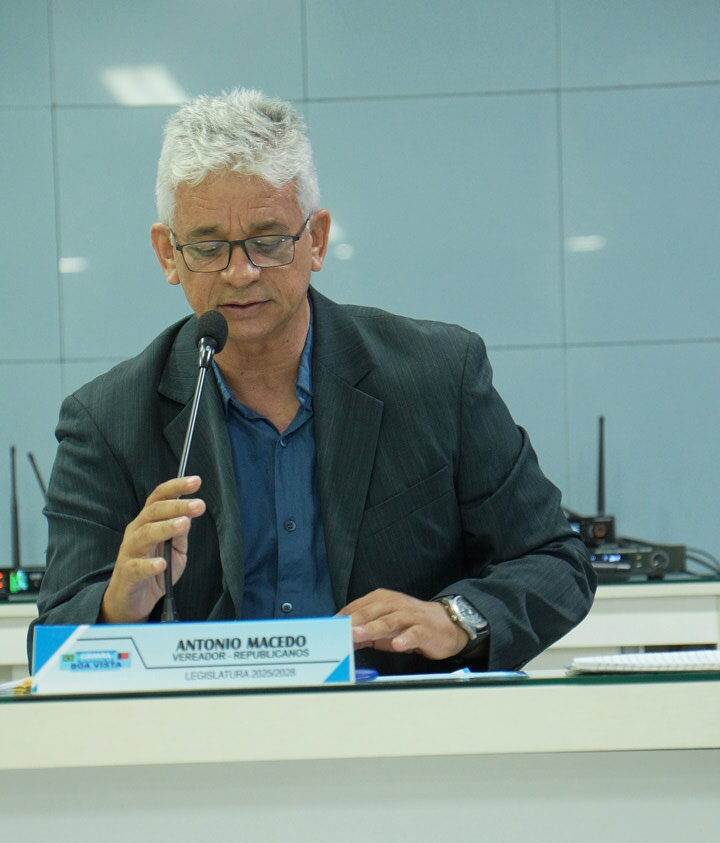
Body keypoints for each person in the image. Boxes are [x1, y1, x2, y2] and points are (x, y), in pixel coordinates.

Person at [36, 88, 595, 674]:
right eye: (208, 246)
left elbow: (555, 561)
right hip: (206, 727)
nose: (241, 272)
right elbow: (52, 643)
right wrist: (116, 608)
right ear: (167, 254)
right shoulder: (107, 419)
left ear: (317, 240)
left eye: (268, 241)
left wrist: (456, 619)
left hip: (401, 722)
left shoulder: (437, 374)